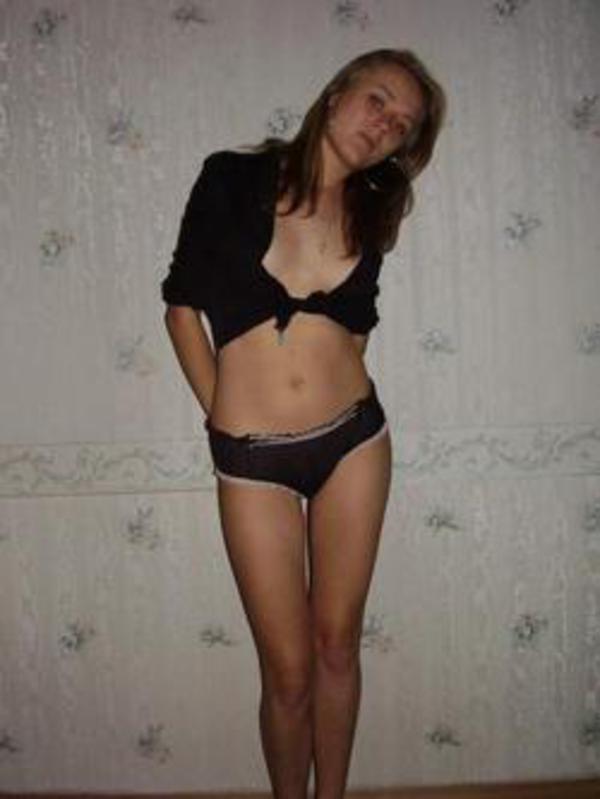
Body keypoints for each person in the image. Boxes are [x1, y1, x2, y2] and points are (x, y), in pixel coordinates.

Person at [161, 48, 446, 799]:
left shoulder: (369, 215)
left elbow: (355, 333)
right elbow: (182, 309)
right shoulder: (231, 178)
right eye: (379, 100)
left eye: (402, 125)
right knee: (286, 673)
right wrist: (223, 420)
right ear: (339, 89)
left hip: (354, 441)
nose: (385, 125)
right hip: (250, 456)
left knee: (337, 646)